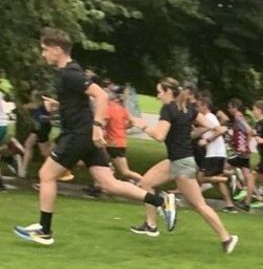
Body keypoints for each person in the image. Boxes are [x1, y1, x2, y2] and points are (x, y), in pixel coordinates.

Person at [14, 27, 174, 246]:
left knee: (46, 175)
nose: (43, 54)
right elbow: (80, 103)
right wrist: (59, 107)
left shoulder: (70, 73)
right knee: (109, 184)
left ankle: (45, 230)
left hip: (79, 134)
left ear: (57, 49)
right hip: (85, 134)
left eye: (45, 49)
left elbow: (100, 95)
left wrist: (98, 126)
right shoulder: (70, 72)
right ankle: (161, 201)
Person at [128, 77, 238, 254]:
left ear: (168, 92)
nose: (157, 96)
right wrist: (188, 134)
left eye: (159, 92)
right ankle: (151, 225)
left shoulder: (169, 109)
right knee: (145, 183)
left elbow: (159, 136)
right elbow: (213, 127)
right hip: (176, 160)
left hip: (182, 163)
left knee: (199, 205)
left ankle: (227, 238)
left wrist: (141, 125)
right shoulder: (190, 109)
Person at [104, 85, 144, 183]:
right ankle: (100, 187)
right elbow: (132, 122)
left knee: (125, 172)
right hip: (120, 142)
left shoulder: (109, 108)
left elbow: (104, 124)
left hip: (112, 143)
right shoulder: (122, 109)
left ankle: (146, 183)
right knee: (103, 165)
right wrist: (123, 128)